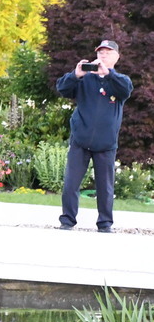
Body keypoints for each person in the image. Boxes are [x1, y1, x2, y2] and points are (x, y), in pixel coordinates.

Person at [56, 39, 133, 232]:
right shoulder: (85, 79)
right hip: (80, 141)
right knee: (71, 184)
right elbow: (62, 89)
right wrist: (75, 75)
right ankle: (67, 220)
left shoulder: (120, 81)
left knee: (105, 187)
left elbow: (126, 90)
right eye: (100, 52)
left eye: (108, 52)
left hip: (106, 144)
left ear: (116, 57)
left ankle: (105, 224)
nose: (103, 55)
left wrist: (109, 74)